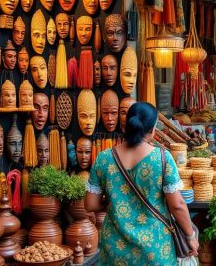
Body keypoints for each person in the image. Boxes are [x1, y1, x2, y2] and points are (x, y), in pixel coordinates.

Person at [85, 102, 198, 264]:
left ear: (127, 125)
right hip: (155, 248)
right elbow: (177, 205)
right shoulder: (162, 159)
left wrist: (115, 201)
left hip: (115, 248)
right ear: (152, 130)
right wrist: (190, 236)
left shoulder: (104, 158)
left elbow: (90, 204)